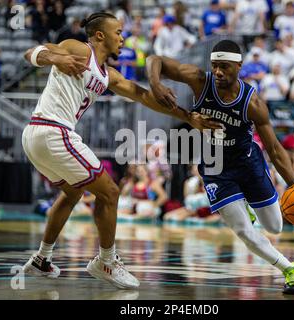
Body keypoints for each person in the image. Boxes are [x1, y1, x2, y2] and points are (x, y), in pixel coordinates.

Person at [21, 11, 220, 289]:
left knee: (73, 192)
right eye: (119, 33)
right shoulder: (79, 49)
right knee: (111, 192)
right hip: (53, 131)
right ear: (100, 35)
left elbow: (143, 96)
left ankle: (42, 258)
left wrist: (188, 117)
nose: (123, 39)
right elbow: (31, 52)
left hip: (36, 136)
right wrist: (55, 57)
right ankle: (106, 261)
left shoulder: (108, 75)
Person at [146, 40, 294, 295]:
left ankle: (253, 209)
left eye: (224, 67)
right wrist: (156, 84)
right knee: (243, 230)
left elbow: (274, 148)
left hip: (248, 163)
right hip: (215, 167)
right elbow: (156, 59)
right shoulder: (200, 80)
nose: (218, 72)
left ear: (239, 66)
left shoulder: (252, 102)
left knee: (275, 226)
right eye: (215, 66)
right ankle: (290, 270)